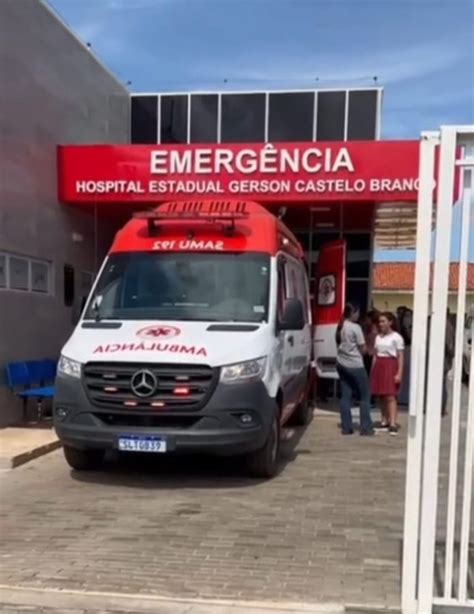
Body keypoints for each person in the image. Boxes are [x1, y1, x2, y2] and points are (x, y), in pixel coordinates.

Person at [336, 303, 374, 436]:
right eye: (357, 312)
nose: (358, 315)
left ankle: (346, 427)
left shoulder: (341, 325)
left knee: (346, 395)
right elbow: (362, 347)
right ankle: (366, 427)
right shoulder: (355, 327)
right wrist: (369, 352)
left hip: (341, 363)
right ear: (353, 313)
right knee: (365, 396)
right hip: (355, 365)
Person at [371, 312, 405, 436]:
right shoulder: (378, 337)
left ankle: (393, 423)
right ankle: (384, 420)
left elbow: (400, 356)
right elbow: (375, 354)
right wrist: (373, 370)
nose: (381, 324)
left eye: (383, 321)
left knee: (390, 395)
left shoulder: (397, 337)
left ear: (390, 322)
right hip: (379, 364)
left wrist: (399, 373)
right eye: (380, 322)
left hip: (390, 365)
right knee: (381, 395)